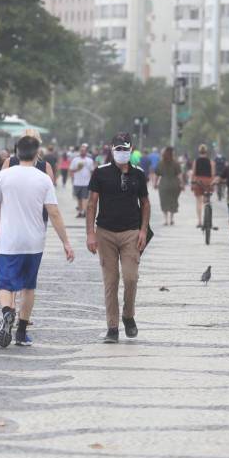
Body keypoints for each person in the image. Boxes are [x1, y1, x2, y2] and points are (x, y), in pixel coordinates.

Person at [0, 135, 75, 348]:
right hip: (34, 242)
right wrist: (66, 242)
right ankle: (22, 333)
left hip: (8, 241)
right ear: (36, 154)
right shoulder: (43, 178)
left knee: (6, 284)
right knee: (28, 287)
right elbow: (53, 212)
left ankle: (8, 312)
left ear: (16, 152)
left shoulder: (5, 175)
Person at [86, 132, 151, 343]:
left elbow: (146, 204)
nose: (122, 152)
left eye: (125, 149)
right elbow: (91, 204)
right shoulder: (100, 173)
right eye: (118, 149)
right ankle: (112, 328)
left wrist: (143, 230)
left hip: (131, 232)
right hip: (105, 233)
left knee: (131, 278)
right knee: (111, 281)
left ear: (131, 149)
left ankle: (128, 315)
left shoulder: (139, 174)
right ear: (111, 149)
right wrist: (90, 234)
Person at [153, 146, 183, 226]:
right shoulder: (176, 163)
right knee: (173, 200)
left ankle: (166, 220)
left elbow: (156, 175)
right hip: (174, 185)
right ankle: (172, 219)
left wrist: (155, 184)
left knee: (164, 202)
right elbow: (180, 175)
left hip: (164, 185)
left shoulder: (160, 163)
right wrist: (182, 184)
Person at [190, 144, 215, 226]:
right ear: (206, 152)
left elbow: (193, 173)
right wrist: (213, 183)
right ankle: (207, 216)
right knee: (207, 200)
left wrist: (192, 183)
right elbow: (212, 174)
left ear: (199, 151)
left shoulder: (196, 161)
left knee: (198, 201)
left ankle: (200, 221)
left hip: (198, 181)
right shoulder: (211, 161)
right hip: (208, 181)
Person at [70, 144, 95, 218]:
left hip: (86, 182)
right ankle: (80, 211)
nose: (82, 152)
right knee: (79, 198)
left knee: (85, 197)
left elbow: (92, 171)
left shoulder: (89, 160)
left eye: (84, 151)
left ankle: (84, 211)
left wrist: (92, 181)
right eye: (81, 150)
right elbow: (71, 170)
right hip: (77, 182)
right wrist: (77, 169)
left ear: (86, 152)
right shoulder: (75, 160)